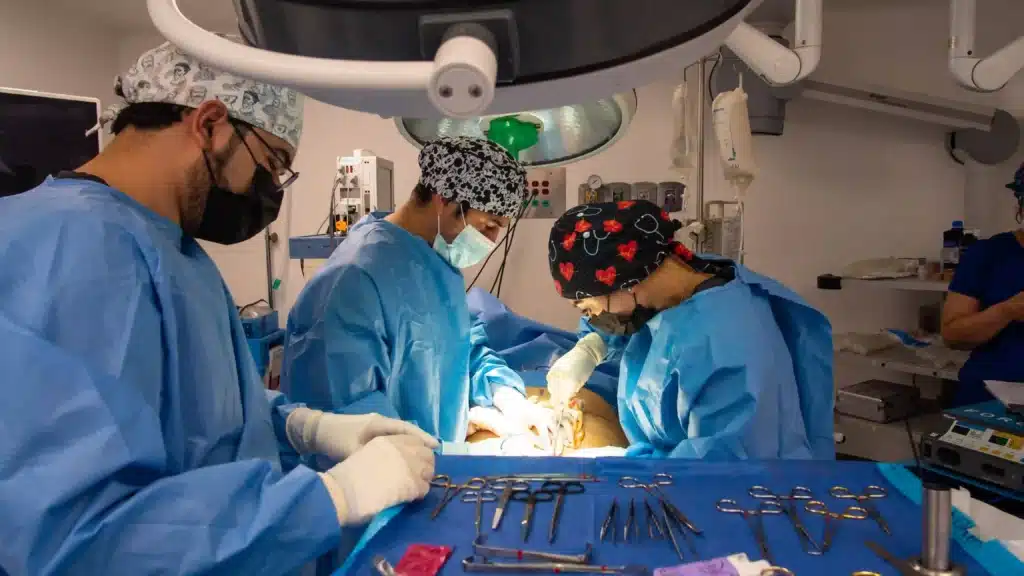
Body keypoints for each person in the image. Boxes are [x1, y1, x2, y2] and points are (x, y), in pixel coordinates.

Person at [0, 42, 438, 575]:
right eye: (272, 164)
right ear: (209, 123)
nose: (270, 190)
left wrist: (306, 428)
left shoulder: (173, 249)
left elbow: (204, 420)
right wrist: (330, 497)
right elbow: (78, 542)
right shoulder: (69, 248)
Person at [282, 136, 553, 448]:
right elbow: (346, 423)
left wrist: (506, 397)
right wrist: (438, 449)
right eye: (488, 225)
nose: (491, 241)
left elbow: (464, 349)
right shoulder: (352, 280)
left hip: (430, 467)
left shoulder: (437, 264)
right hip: (380, 482)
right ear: (444, 199)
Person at [544, 200, 835, 459]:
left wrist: (622, 465)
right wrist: (591, 346)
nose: (592, 318)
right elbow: (630, 330)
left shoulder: (726, 347)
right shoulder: (679, 281)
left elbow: (718, 471)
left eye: (587, 308)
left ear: (623, 280)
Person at [942, 163, 1024, 405]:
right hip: (990, 400)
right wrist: (1006, 311)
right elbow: (952, 334)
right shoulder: (988, 254)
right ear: (1020, 204)